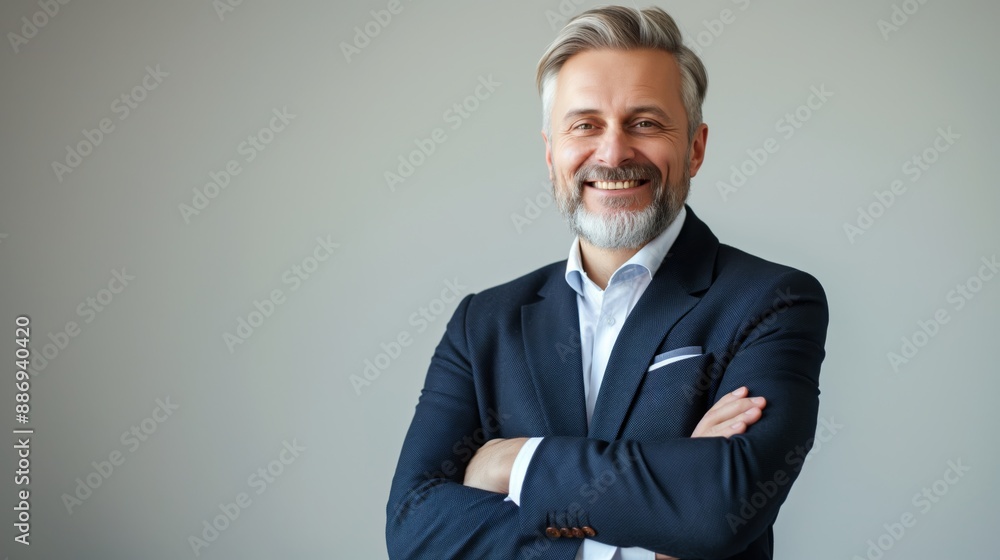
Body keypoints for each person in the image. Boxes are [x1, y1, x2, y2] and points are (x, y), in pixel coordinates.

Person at [386, 6, 829, 559]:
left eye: (645, 122)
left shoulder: (774, 300)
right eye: (585, 125)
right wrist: (647, 525)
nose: (614, 152)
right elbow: (413, 530)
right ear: (552, 154)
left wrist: (512, 460)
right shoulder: (483, 324)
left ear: (695, 147)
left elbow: (719, 507)